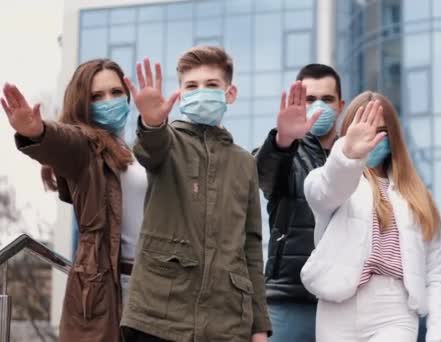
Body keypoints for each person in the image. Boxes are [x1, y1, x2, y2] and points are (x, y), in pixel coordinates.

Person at [119, 46, 271, 342]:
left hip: (227, 324)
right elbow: (150, 149)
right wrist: (151, 123)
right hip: (157, 316)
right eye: (191, 85)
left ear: (230, 93)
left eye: (211, 85)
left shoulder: (244, 163)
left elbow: (252, 246)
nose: (201, 91)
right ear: (180, 94)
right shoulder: (167, 142)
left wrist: (259, 326)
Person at [1, 58, 147, 342]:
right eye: (97, 96)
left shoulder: (134, 152)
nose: (110, 100)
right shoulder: (85, 147)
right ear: (83, 104)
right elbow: (63, 142)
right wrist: (36, 131)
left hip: (155, 280)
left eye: (116, 92)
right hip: (112, 283)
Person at [301, 92, 441, 342]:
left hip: (395, 308)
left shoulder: (418, 196)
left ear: (393, 136)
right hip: (337, 304)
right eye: (363, 129)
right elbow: (327, 190)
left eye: (381, 130)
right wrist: (348, 155)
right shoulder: (329, 180)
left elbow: (436, 272)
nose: (372, 139)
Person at [253, 64, 344, 342]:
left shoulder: (353, 157)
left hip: (346, 305)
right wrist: (283, 140)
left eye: (327, 99)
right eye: (309, 99)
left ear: (341, 105)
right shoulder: (284, 152)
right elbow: (264, 172)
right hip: (289, 299)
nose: (319, 105)